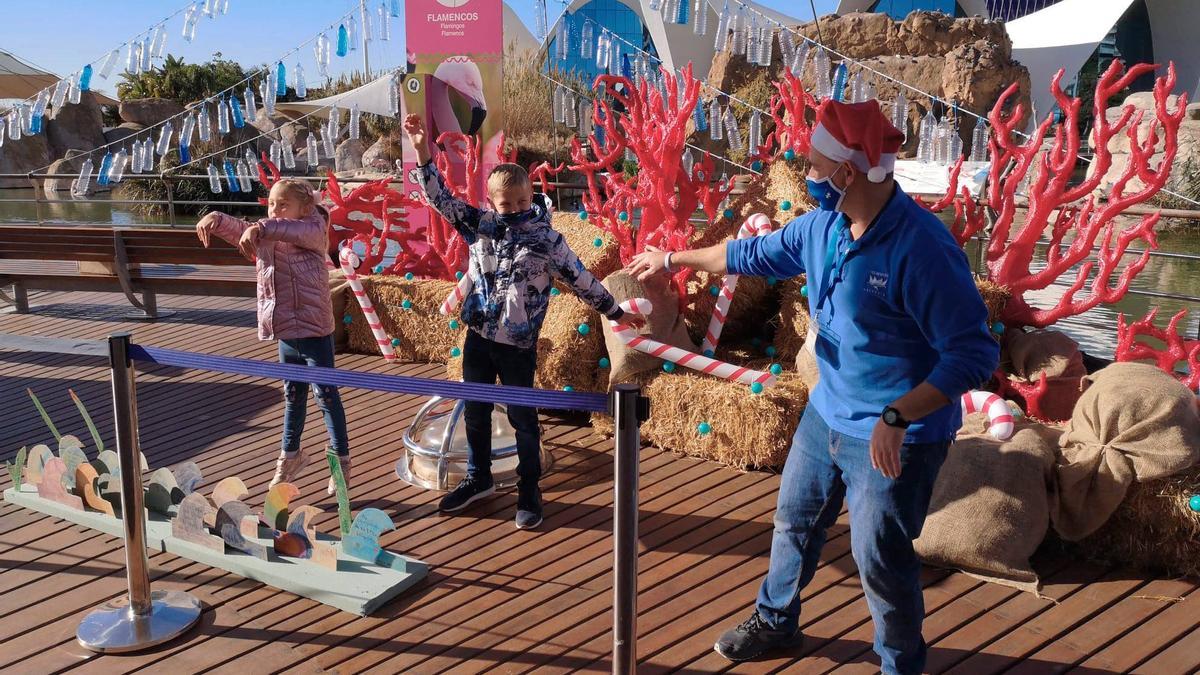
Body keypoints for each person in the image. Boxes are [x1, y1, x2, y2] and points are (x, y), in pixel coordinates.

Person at [627, 100, 999, 673]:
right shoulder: (821, 225)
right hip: (828, 410)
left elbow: (975, 354)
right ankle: (777, 622)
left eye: (815, 163)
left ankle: (900, 664)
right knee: (794, 522)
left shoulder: (923, 249)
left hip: (897, 432)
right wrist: (672, 257)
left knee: (879, 556)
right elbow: (749, 253)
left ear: (848, 173)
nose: (807, 172)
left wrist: (898, 416)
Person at [403, 113, 644, 530]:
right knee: (474, 410)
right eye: (505, 204)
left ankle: (528, 488)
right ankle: (478, 478)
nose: (513, 210)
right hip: (479, 335)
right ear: (493, 203)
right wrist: (422, 149)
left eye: (520, 202)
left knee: (522, 418)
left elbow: (581, 279)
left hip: (517, 346)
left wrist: (616, 311)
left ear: (530, 197)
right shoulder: (480, 226)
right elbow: (438, 197)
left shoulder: (547, 240)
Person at [195, 179, 351, 495]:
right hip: (284, 331)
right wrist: (217, 219)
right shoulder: (269, 232)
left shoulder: (313, 228)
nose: (275, 210)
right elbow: (247, 230)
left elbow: (281, 230)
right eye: (271, 204)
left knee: (326, 396)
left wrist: (261, 227)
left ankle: (341, 462)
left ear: (305, 208)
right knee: (293, 396)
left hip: (313, 330)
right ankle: (290, 457)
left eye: (283, 204)